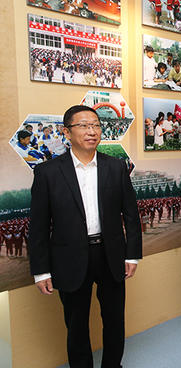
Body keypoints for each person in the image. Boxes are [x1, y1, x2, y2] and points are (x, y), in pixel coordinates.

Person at [28, 105, 142, 368]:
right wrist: (41, 271)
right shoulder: (48, 173)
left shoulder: (116, 167)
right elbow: (39, 227)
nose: (92, 131)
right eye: (84, 126)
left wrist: (132, 255)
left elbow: (131, 215)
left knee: (114, 319)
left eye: (96, 125)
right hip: (69, 257)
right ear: (67, 132)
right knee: (76, 324)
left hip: (110, 254)